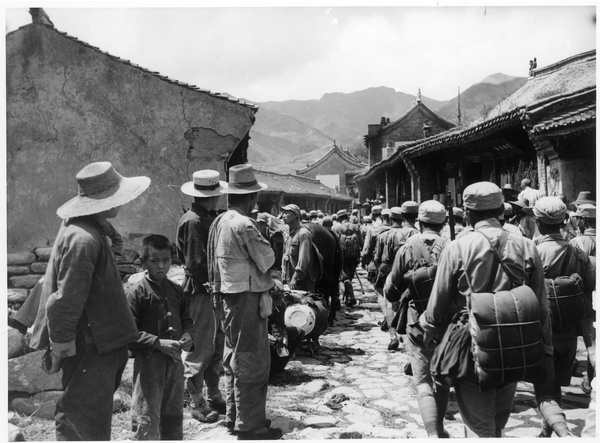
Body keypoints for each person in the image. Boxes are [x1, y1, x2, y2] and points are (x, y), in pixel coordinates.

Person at [420, 181, 552, 438]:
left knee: (480, 426)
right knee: (498, 418)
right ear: (501, 211)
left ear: (467, 214)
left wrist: (429, 333)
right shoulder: (526, 245)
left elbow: (437, 307)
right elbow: (541, 306)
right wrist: (544, 346)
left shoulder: (456, 247)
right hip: (515, 338)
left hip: (472, 341)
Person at [30, 161, 150, 440]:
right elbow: (65, 301)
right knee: (84, 419)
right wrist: (60, 349)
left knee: (92, 415)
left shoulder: (87, 229)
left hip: (101, 342)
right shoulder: (84, 240)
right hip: (90, 343)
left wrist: (106, 226)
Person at [208, 164, 282, 440]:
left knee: (233, 357)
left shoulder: (220, 221)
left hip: (229, 296)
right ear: (251, 197)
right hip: (246, 297)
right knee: (252, 361)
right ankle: (250, 425)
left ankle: (235, 415)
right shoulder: (244, 224)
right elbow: (267, 259)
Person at [385, 200, 450, 437]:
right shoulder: (454, 246)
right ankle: (441, 425)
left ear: (419, 222)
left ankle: (433, 433)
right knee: (443, 378)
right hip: (447, 321)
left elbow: (391, 290)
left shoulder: (407, 248)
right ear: (443, 224)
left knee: (423, 381)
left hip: (416, 320)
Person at [532, 197, 595, 437]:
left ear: (538, 222)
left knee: (546, 388)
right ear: (564, 221)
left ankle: (560, 431)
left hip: (541, 331)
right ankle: (546, 429)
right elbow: (588, 292)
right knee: (555, 383)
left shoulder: (533, 253)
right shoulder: (578, 254)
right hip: (568, 332)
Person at [126, 235, 194, 440]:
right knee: (147, 412)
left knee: (173, 411)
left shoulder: (175, 289)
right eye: (154, 261)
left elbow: (187, 318)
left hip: (174, 362)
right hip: (149, 364)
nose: (161, 266)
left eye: (166, 261)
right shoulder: (136, 292)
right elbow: (128, 333)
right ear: (143, 262)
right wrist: (157, 342)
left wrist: (188, 335)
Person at [176, 169, 227, 422]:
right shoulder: (193, 221)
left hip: (211, 290)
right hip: (200, 291)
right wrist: (215, 285)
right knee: (202, 347)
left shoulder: (205, 217)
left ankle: (214, 394)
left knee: (216, 344)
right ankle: (196, 402)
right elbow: (196, 262)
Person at [379, 203, 419, 350]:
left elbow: (385, 258)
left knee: (390, 303)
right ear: (416, 216)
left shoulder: (391, 234)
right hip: (415, 276)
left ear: (402, 216)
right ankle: (409, 340)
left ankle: (393, 336)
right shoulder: (419, 233)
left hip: (395, 272)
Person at [281, 204, 320, 292]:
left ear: (295, 215)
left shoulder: (303, 233)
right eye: (283, 213)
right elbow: (285, 255)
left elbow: (304, 259)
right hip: (289, 277)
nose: (283, 216)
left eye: (286, 213)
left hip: (302, 279)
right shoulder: (286, 234)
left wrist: (295, 278)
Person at [333, 209, 361, 307]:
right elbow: (361, 242)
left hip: (342, 257)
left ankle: (351, 296)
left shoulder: (336, 228)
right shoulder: (356, 227)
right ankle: (348, 297)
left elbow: (335, 244)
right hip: (353, 256)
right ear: (347, 217)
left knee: (343, 278)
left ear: (339, 218)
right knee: (350, 276)